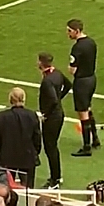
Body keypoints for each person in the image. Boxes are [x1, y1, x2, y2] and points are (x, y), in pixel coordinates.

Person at [0, 87, 41, 188]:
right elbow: (37, 138)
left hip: (8, 157)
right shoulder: (32, 115)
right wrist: (35, 152)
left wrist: (0, 153)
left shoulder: (2, 116)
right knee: (28, 189)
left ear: (10, 99)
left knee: (6, 186)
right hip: (27, 156)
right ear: (23, 99)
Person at [37, 52, 71, 188]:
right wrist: (59, 96)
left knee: (50, 147)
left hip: (52, 118)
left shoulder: (47, 81)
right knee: (53, 146)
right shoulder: (57, 73)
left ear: (41, 63)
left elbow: (53, 100)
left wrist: (45, 114)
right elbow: (68, 85)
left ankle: (55, 179)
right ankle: (57, 176)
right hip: (58, 115)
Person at [66, 18, 100, 157]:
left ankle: (86, 146)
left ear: (77, 31)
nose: (68, 34)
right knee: (88, 109)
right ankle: (95, 139)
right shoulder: (91, 42)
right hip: (92, 79)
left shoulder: (77, 47)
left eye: (70, 31)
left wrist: (70, 68)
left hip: (81, 82)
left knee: (83, 113)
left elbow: (72, 69)